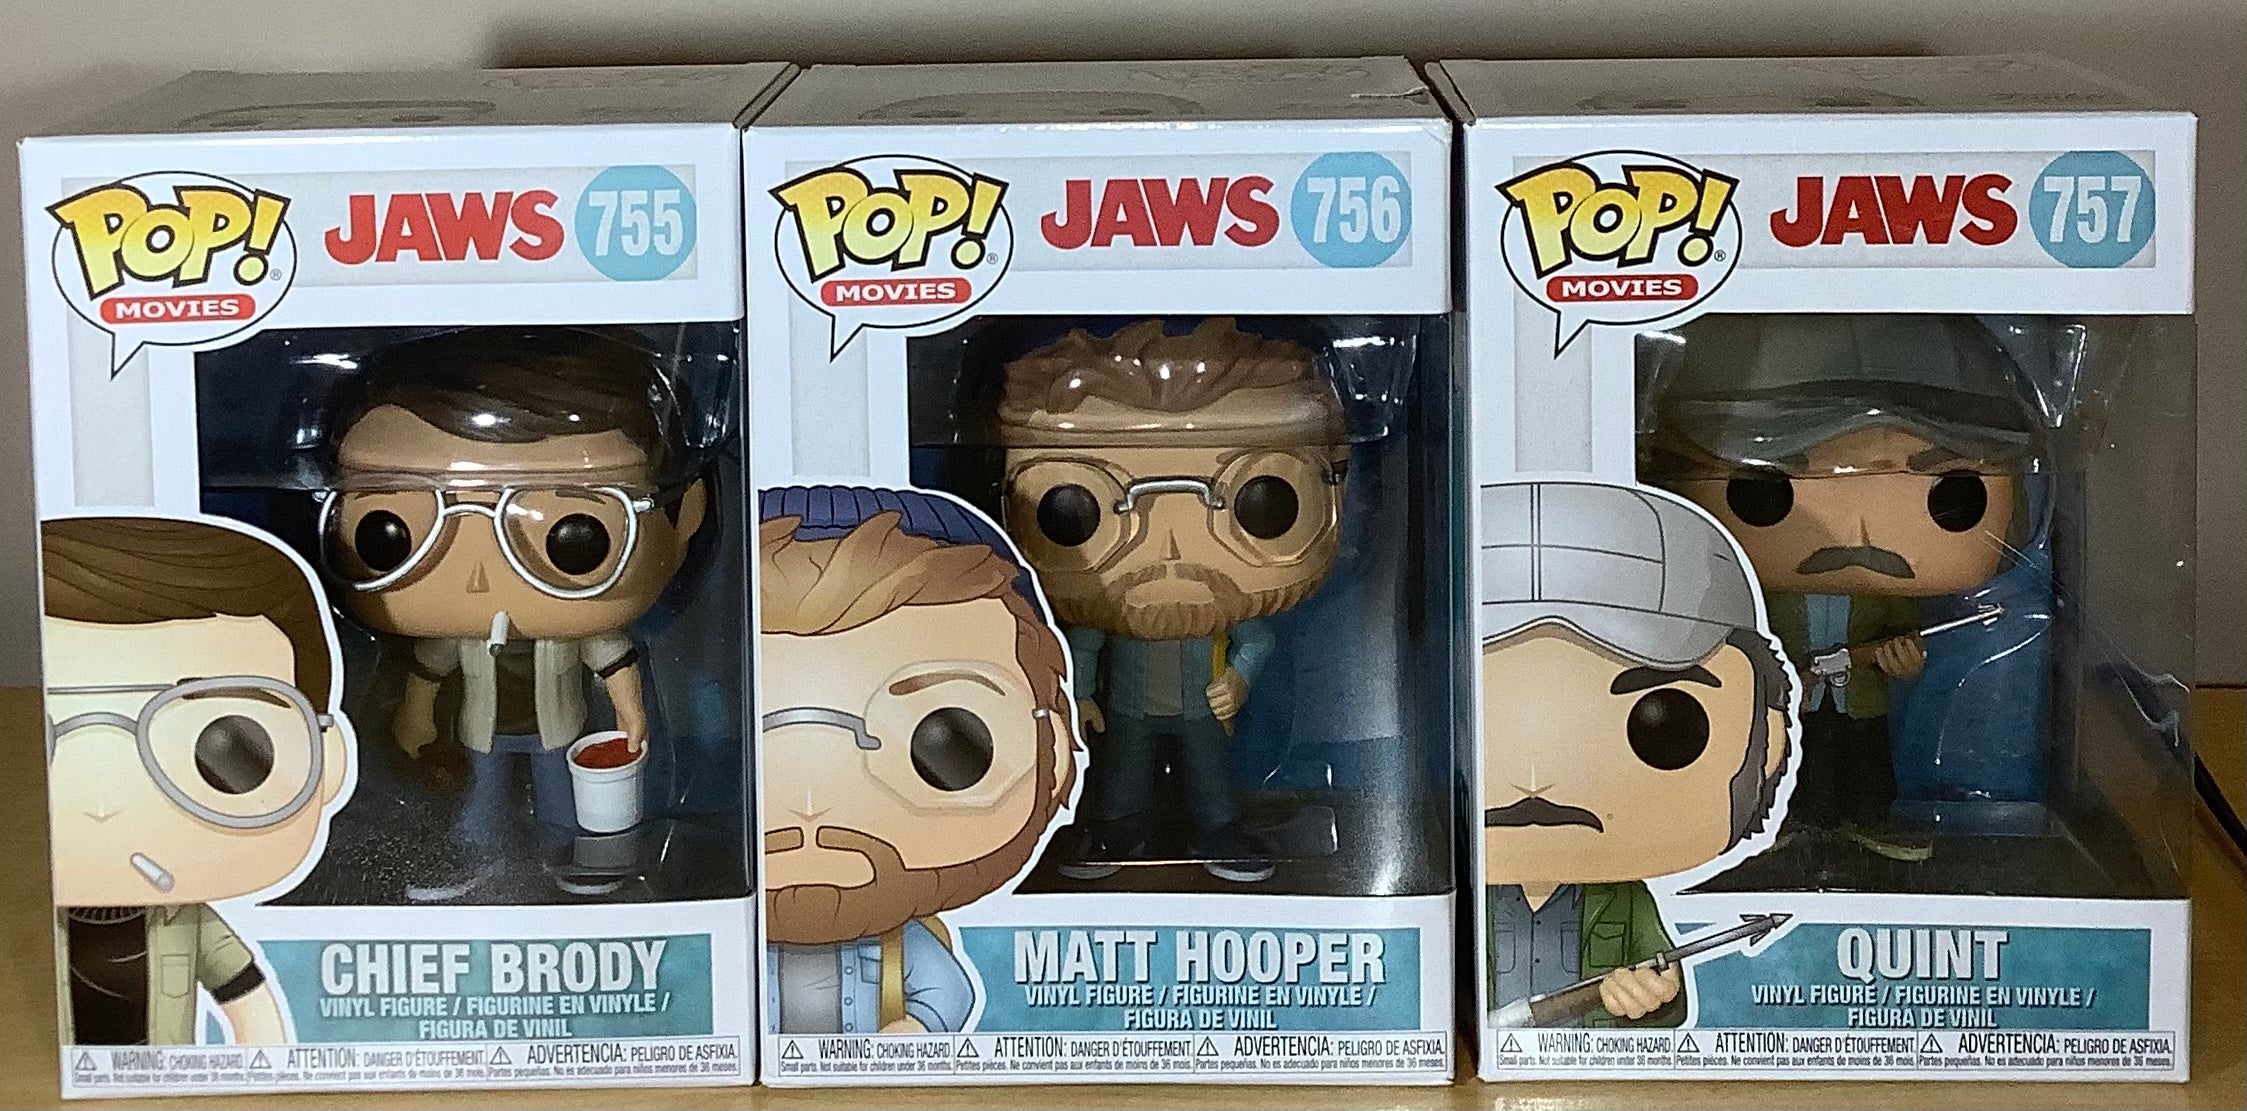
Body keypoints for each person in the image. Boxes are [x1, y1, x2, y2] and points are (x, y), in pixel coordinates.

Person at [319, 328, 706, 899]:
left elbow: (612, 658)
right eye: (389, 533)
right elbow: (428, 669)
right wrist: (416, 716)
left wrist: (631, 713)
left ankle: (566, 859)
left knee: (560, 803)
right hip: (482, 731)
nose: (479, 579)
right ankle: (476, 860)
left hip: (558, 730)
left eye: (575, 537)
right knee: (480, 802)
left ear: (685, 516)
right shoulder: (460, 638)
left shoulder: (574, 634)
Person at [1642, 314, 2035, 860]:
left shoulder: (1880, 597)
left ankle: (1868, 818)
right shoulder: (1758, 598)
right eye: (1763, 491)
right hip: (1789, 699)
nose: (1860, 535)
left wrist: (1904, 663)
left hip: (1861, 699)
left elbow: (1907, 641)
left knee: (1865, 759)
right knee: (1784, 758)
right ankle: (1783, 818)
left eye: (1951, 495)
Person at [995, 318, 1349, 882]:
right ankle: (1116, 830)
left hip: (1202, 707)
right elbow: (1083, 644)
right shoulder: (1113, 615)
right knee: (1122, 776)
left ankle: (1218, 830)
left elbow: (1256, 638)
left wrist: (1239, 679)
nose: (1170, 552)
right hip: (1127, 710)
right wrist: (1080, 695)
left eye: (1260, 499)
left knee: (1210, 777)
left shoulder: (1218, 613)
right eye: (1076, 504)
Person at [758, 486, 1079, 1035]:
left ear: (1054, 754)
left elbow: (947, 995)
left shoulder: (905, 948)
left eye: (947, 744)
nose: (811, 808)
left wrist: (920, 1031)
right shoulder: (728, 945)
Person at [1478, 481, 1792, 1028]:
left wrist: (1649, 1001)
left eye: (1665, 727)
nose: (1535, 780)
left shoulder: (1625, 899)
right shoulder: (1455, 902)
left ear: (1765, 742)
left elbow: (1668, 1001)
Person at [43, 514, 355, 1045]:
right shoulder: (22, 924)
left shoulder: (188, 921)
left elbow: (248, 1005)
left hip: (168, 1081)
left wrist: (264, 1078)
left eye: (227, 745)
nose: (101, 803)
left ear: (328, 761)